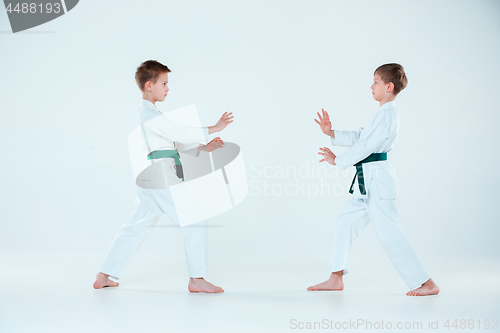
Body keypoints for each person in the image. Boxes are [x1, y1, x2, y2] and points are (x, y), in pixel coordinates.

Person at [93, 60, 233, 293]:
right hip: (161, 173)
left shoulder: (151, 115)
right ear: (149, 85)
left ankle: (104, 275)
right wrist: (213, 128)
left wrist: (204, 148)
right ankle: (197, 279)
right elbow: (177, 132)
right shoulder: (149, 114)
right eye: (164, 83)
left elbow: (172, 142)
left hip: (154, 174)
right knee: (195, 221)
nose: (168, 89)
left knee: (136, 226)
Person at [308, 63, 439, 296]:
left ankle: (426, 282)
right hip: (365, 182)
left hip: (377, 180)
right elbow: (361, 136)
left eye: (376, 82)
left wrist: (338, 161)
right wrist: (332, 133)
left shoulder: (389, 114)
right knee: (345, 223)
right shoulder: (381, 114)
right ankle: (336, 277)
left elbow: (367, 146)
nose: (371, 86)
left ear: (389, 87)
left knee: (389, 233)